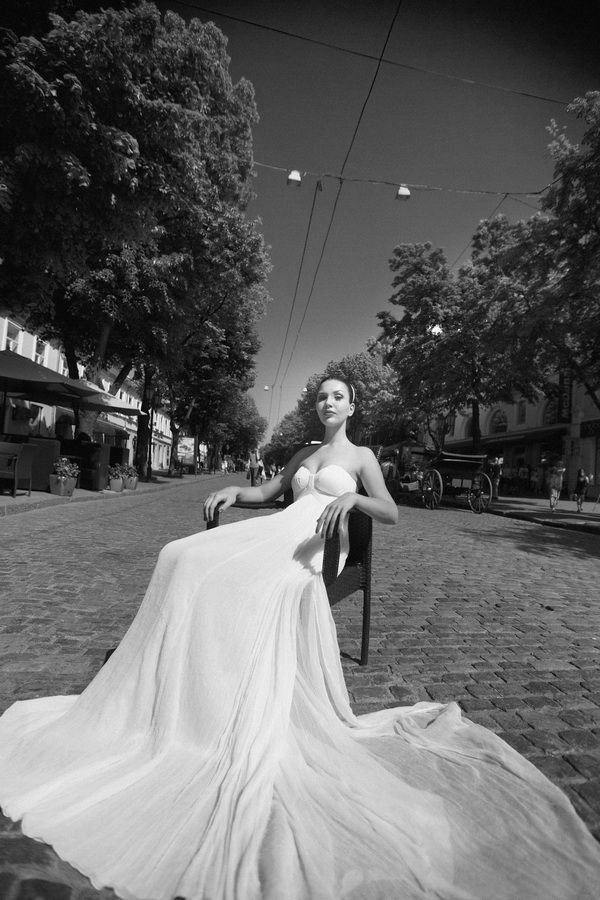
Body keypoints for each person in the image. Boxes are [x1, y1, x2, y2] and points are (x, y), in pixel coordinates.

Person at [0, 375, 599, 900]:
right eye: (321, 397)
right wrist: (236, 492)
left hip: (317, 549)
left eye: (337, 397)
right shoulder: (303, 453)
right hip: (276, 531)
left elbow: (391, 511)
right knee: (180, 556)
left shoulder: (362, 455)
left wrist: (355, 496)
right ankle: (190, 692)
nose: (327, 403)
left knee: (251, 583)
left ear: (352, 406)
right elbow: (268, 495)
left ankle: (223, 698)